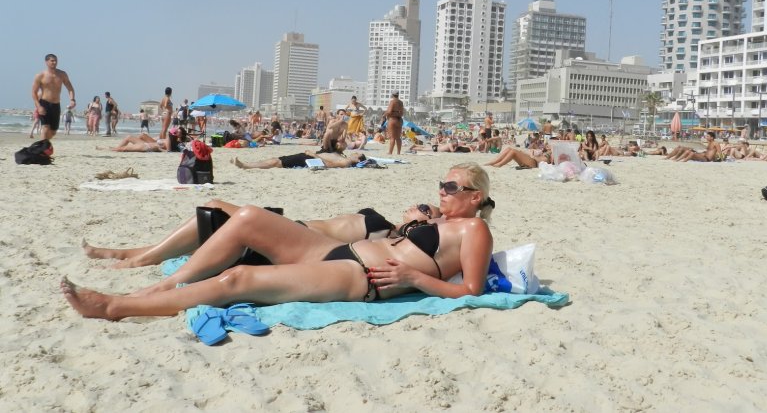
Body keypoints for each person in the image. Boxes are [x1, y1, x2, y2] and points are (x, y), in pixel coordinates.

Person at [61, 163, 495, 320]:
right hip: (334, 253)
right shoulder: (439, 220)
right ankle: (160, 283)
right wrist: (413, 223)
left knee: (239, 278)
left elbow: (471, 291)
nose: (441, 191)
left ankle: (117, 307)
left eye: (450, 187)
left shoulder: (475, 230)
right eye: (441, 184)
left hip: (358, 275)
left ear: (475, 197)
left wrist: (413, 278)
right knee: (248, 216)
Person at [82, 200, 445, 269]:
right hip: (295, 227)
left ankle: (140, 256)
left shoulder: (386, 235)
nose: (415, 205)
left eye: (423, 207)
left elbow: (342, 253)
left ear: (425, 222)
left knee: (216, 212)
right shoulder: (387, 229)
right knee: (211, 212)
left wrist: (430, 221)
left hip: (296, 238)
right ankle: (135, 252)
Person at [31, 53, 76, 141]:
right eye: (52, 61)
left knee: (53, 132)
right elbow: (33, 92)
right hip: (44, 103)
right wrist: (38, 106)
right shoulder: (40, 75)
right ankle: (42, 150)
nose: (54, 62)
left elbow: (70, 88)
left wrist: (72, 100)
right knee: (45, 128)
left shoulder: (62, 74)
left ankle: (43, 145)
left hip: (56, 104)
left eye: (56, 61)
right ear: (46, 62)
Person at [232, 150, 367, 170]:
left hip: (309, 159)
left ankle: (246, 165)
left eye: (357, 154)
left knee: (276, 162)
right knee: (276, 160)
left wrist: (314, 155)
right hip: (308, 156)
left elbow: (330, 164)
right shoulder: (344, 156)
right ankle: (247, 165)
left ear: (357, 159)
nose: (354, 153)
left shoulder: (347, 162)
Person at [384, 91, 404, 155]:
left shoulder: (392, 102)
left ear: (392, 95)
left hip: (392, 119)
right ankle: (398, 152)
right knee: (398, 137)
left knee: (392, 137)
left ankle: (390, 152)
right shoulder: (401, 102)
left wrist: (384, 115)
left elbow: (389, 111)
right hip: (399, 120)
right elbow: (402, 113)